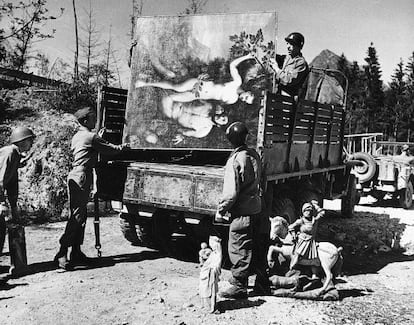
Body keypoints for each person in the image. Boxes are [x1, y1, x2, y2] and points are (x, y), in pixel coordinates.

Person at [54, 107, 128, 270]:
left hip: (77, 174)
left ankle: (76, 252)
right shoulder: (90, 136)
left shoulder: (78, 136)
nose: (96, 121)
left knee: (80, 215)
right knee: (77, 216)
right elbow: (110, 149)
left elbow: (90, 147)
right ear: (86, 120)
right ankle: (62, 252)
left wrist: (97, 139)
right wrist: (124, 147)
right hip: (82, 176)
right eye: (93, 118)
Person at [216, 121, 263, 299]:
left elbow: (231, 193)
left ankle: (239, 286)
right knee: (254, 246)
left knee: (238, 247)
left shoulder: (235, 160)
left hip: (241, 212)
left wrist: (221, 209)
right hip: (255, 209)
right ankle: (261, 282)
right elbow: (262, 181)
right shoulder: (254, 155)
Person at [135, 54, 256, 106]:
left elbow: (215, 100)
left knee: (172, 98)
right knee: (175, 87)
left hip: (197, 96)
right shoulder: (237, 83)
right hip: (201, 85)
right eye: (247, 97)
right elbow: (232, 65)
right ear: (248, 92)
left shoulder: (233, 100)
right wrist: (246, 57)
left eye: (246, 101)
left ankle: (151, 81)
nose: (243, 99)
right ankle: (145, 83)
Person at [0, 126, 35, 280]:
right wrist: (1, 203)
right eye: (29, 140)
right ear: (21, 141)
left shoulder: (16, 155)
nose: (31, 143)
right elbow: (0, 181)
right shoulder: (9, 153)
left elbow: (12, 183)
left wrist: (14, 206)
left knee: (1, 230)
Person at [288, 200, 325, 279]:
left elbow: (322, 213)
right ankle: (291, 269)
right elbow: (290, 227)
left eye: (309, 211)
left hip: (311, 241)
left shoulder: (314, 220)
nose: (308, 212)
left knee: (314, 259)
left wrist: (315, 206)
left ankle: (314, 276)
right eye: (306, 211)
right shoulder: (300, 221)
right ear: (303, 212)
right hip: (302, 241)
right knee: (297, 256)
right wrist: (293, 234)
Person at [269, 32, 309, 98]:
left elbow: (288, 80)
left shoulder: (301, 63)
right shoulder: (286, 58)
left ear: (299, 46)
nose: (288, 47)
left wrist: (276, 69)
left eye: (292, 44)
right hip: (278, 95)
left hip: (288, 100)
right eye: (287, 43)